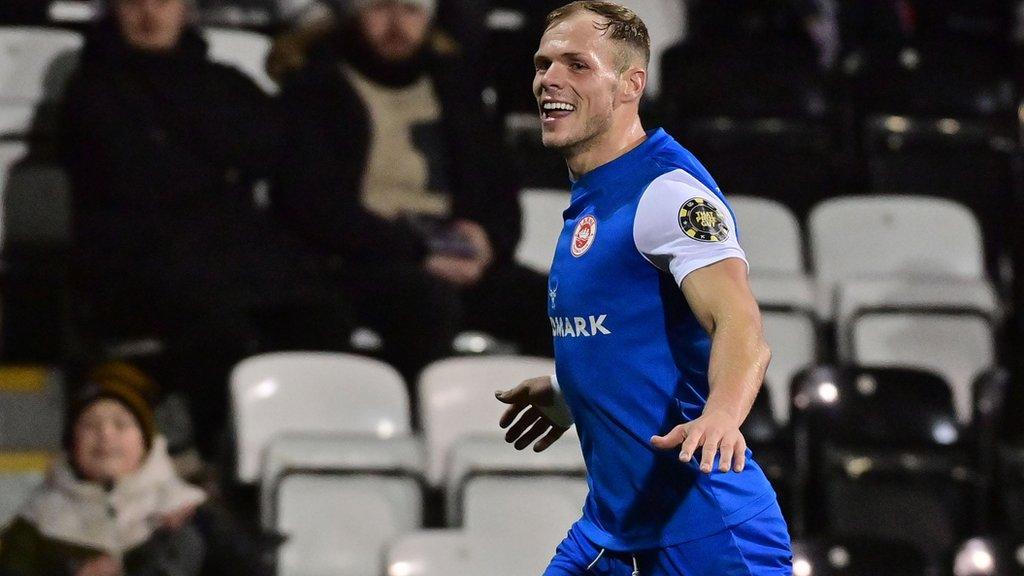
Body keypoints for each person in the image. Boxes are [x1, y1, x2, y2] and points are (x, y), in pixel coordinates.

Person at [494, 2, 792, 574]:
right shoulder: (596, 194)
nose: (548, 80)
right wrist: (571, 389)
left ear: (632, 84)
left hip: (708, 537)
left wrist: (723, 417)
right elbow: (635, 328)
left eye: (576, 65)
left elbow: (740, 326)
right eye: (542, 64)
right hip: (612, 531)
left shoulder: (668, 194)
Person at [60, 0, 352, 454]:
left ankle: (305, 451)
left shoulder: (221, 81)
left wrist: (184, 145)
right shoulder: (91, 89)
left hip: (231, 255)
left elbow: (271, 147)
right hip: (136, 261)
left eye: (163, 1)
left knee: (321, 312)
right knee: (220, 328)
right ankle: (220, 453)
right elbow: (135, 177)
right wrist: (217, 161)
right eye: (134, 1)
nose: (149, 13)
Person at [276, 0, 551, 379]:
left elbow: (498, 186)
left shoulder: (455, 87)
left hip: (454, 255)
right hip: (359, 261)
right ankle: (426, 427)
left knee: (562, 306)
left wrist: (487, 240)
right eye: (380, 9)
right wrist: (417, 250)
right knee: (426, 304)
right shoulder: (315, 88)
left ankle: (554, 428)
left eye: (410, 10)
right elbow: (313, 205)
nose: (396, 25)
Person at [0, 364, 271, 576]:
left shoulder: (191, 514)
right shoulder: (36, 523)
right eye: (90, 425)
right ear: (72, 444)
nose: (105, 435)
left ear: (146, 441)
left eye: (121, 424)